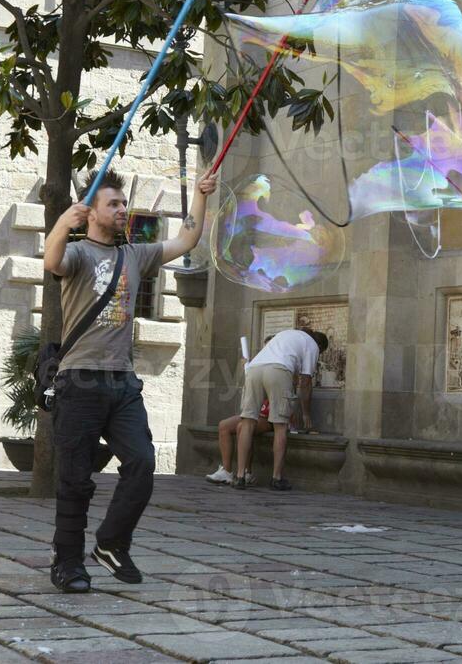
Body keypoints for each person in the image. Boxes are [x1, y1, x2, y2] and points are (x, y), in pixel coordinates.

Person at [42, 169, 216, 594]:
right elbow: (51, 261)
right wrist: (63, 224)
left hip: (122, 382)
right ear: (92, 212)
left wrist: (200, 196)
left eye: (124, 204)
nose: (123, 210)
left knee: (142, 463)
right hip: (79, 380)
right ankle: (68, 563)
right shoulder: (79, 253)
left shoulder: (136, 255)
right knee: (75, 480)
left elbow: (187, 239)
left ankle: (111, 543)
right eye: (114, 204)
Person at [233, 327, 326, 490]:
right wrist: (305, 414)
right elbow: (305, 382)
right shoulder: (312, 345)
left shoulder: (287, 334)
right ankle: (276, 478)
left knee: (247, 422)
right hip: (278, 370)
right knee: (280, 426)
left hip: (254, 369)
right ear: (320, 346)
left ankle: (240, 475)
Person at [206, 401, 273, 484]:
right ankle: (226, 472)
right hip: (253, 413)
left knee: (242, 427)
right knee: (224, 426)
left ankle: (246, 472)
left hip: (269, 418)